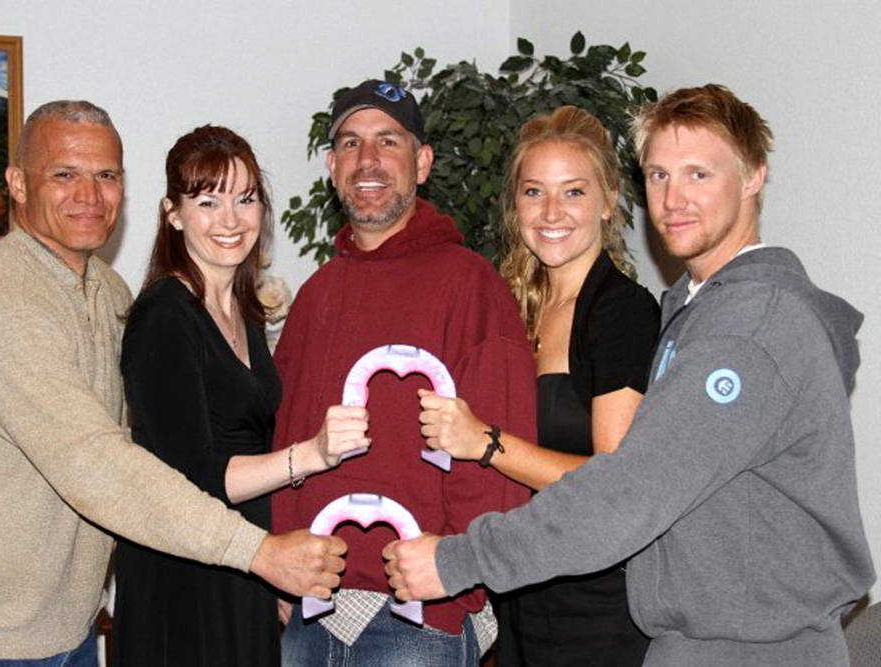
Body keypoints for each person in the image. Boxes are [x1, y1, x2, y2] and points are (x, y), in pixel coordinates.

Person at [384, 84, 876, 667]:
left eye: (699, 174)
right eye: (660, 175)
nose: (674, 199)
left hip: (748, 649)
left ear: (752, 177)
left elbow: (625, 491)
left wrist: (458, 561)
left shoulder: (749, 330)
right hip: (685, 641)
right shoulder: (696, 312)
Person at [0, 101, 346, 666]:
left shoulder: (106, 290)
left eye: (106, 175)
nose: (89, 194)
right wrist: (259, 553)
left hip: (68, 622)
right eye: (64, 174)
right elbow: (95, 463)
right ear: (17, 184)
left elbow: (146, 442)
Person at [270, 79, 537, 665]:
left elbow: (500, 451)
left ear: (421, 163)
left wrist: (460, 570)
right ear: (331, 165)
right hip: (313, 613)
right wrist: (281, 563)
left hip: (418, 619)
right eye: (350, 143)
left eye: (387, 142)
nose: (367, 161)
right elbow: (286, 432)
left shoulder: (471, 286)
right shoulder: (316, 295)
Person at [112, 125, 369, 667]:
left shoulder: (241, 310)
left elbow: (253, 437)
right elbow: (194, 476)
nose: (230, 220)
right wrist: (314, 456)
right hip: (184, 576)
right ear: (173, 213)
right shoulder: (164, 317)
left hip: (242, 561)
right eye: (208, 201)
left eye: (245, 199)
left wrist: (272, 563)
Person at [417, 106, 658, 666]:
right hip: (519, 595)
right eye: (533, 192)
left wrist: (487, 443)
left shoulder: (621, 312)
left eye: (573, 192)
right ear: (515, 205)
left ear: (609, 200)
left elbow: (612, 481)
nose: (552, 212)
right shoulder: (510, 308)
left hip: (596, 609)